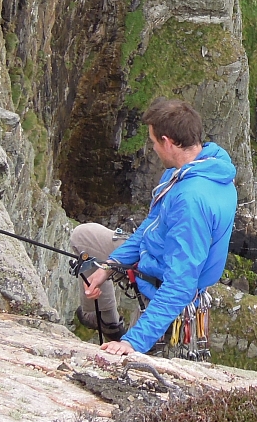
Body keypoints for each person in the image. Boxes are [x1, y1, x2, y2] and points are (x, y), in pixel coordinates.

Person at [71, 98, 238, 356]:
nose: (153, 148)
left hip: (167, 285)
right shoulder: (193, 169)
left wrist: (133, 342)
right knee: (84, 236)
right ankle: (108, 324)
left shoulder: (190, 201)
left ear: (168, 142)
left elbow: (180, 284)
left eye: (153, 142)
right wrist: (110, 266)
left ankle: (126, 336)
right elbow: (152, 225)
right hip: (157, 257)